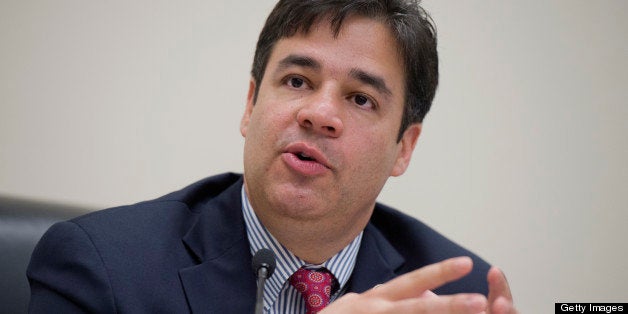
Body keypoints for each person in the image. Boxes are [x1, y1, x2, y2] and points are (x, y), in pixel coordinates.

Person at [28, 0, 517, 313]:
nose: (319, 113)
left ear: (403, 149)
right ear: (250, 105)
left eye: (361, 98)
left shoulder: (457, 295)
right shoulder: (101, 270)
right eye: (298, 81)